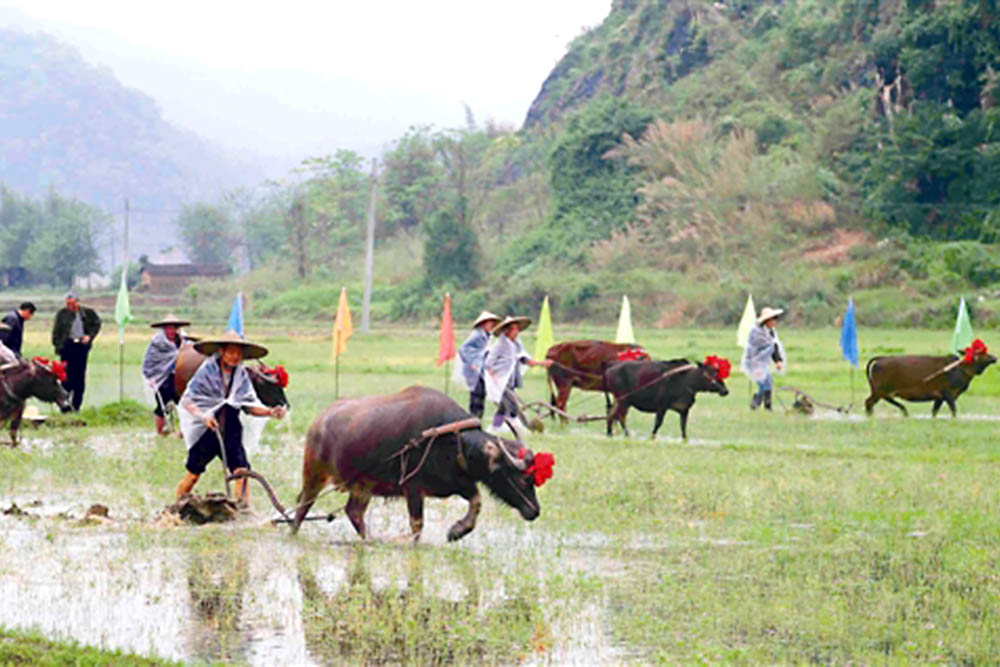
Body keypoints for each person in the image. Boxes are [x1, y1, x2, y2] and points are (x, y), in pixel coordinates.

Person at [175, 330, 286, 506]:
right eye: (231, 352)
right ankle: (176, 507)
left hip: (232, 429)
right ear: (222, 352)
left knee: (242, 472)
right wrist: (204, 417)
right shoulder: (207, 372)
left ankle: (243, 511)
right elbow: (188, 401)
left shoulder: (241, 375)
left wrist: (269, 412)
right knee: (193, 474)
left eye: (238, 353)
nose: (235, 357)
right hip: (209, 429)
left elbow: (248, 405)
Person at [483, 315, 552, 433]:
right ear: (508, 330)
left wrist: (542, 363)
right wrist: (494, 377)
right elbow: (489, 362)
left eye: (518, 329)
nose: (517, 332)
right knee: (513, 406)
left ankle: (495, 427)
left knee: (503, 407)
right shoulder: (500, 343)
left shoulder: (516, 343)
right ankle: (523, 428)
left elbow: (525, 359)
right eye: (515, 329)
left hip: (510, 379)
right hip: (500, 381)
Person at [142, 313, 193, 436]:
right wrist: (151, 378)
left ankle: (184, 430)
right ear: (164, 329)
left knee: (185, 403)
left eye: (173, 327)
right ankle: (160, 433)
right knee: (161, 406)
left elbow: (190, 357)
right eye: (168, 328)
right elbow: (148, 363)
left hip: (181, 377)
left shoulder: (184, 341)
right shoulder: (157, 343)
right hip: (163, 378)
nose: (171, 331)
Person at [51, 292, 101, 411]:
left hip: (81, 348)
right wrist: (58, 346)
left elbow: (97, 324)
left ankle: (76, 406)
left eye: (72, 303)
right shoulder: (62, 314)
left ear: (77, 302)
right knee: (66, 378)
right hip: (67, 347)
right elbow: (56, 332)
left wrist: (89, 336)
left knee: (79, 378)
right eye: (68, 304)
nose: (70, 306)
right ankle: (65, 406)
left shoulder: (87, 313)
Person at [455, 310, 501, 418]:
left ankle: (480, 419)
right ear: (483, 323)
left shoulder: (487, 336)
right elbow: (463, 349)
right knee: (477, 397)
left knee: (482, 396)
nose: (492, 325)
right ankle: (478, 420)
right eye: (490, 323)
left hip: (486, 371)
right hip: (476, 372)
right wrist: (473, 363)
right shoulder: (477, 335)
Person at [741, 306, 785, 411]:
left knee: (767, 382)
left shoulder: (770, 332)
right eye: (773, 319)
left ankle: (765, 405)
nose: (775, 322)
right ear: (767, 320)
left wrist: (778, 360)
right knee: (763, 382)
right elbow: (754, 349)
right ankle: (758, 403)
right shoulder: (756, 333)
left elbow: (773, 347)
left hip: (762, 363)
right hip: (754, 362)